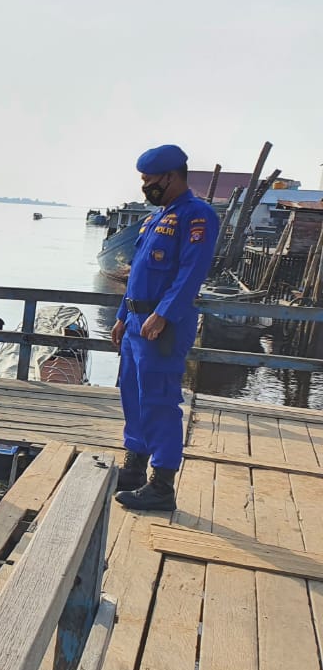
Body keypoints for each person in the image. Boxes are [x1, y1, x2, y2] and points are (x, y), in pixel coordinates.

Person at [111, 144, 218, 511]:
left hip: (162, 324)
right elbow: (137, 275)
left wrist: (164, 314)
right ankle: (135, 466)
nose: (146, 187)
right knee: (132, 394)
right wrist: (122, 317)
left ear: (172, 177)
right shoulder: (154, 218)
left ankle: (162, 483)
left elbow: (192, 271)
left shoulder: (197, 215)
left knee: (158, 399)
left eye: (150, 180)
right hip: (137, 320)